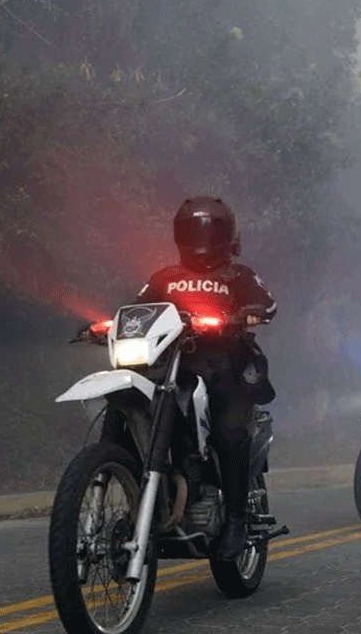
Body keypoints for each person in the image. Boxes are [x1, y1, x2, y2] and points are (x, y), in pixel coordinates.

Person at [131, 196, 277, 560]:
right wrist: (110, 324)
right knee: (142, 410)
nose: (201, 238)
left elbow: (268, 304)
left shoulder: (239, 275)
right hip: (173, 368)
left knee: (229, 431)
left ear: (228, 236)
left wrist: (251, 312)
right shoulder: (164, 278)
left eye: (210, 231)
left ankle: (237, 522)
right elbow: (137, 309)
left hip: (226, 366)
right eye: (193, 230)